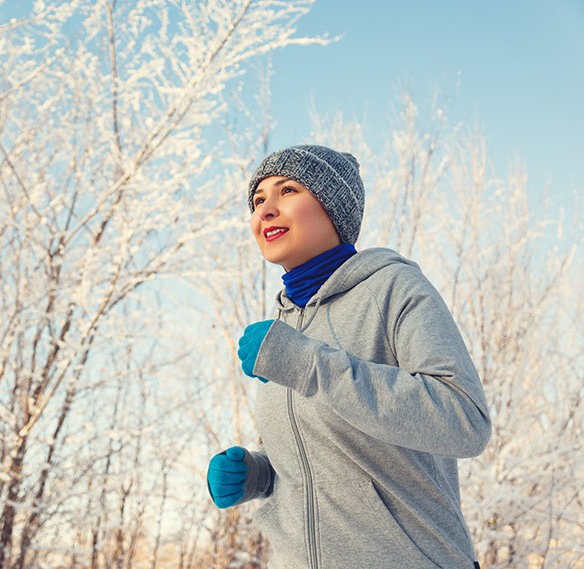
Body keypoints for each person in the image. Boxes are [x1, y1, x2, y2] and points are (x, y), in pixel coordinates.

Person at [206, 145, 491, 569]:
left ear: (333, 206)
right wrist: (261, 474)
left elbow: (464, 420)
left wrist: (307, 364)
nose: (265, 209)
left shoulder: (392, 289)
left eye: (287, 191)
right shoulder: (285, 325)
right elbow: (331, 456)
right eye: (258, 199)